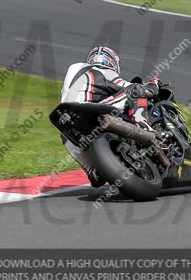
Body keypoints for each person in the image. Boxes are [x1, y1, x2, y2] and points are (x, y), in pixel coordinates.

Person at [60, 45, 160, 187]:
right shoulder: (101, 71)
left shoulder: (75, 78)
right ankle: (146, 129)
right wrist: (153, 84)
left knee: (67, 139)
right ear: (112, 62)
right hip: (89, 111)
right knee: (136, 90)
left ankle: (95, 172)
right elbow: (131, 88)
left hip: (67, 126)